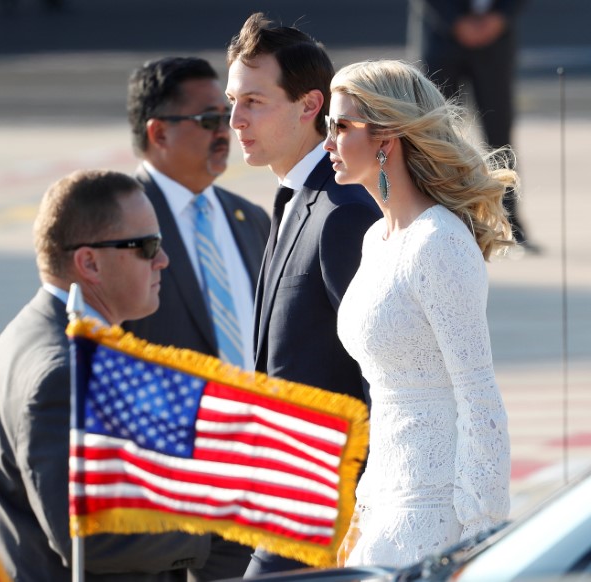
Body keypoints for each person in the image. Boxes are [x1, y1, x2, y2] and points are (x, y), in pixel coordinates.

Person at [0, 169, 215, 581]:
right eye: (148, 246)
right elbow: (88, 538)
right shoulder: (63, 373)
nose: (163, 260)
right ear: (89, 263)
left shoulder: (32, 337)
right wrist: (208, 525)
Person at [324, 59, 511, 568]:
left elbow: (480, 400)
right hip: (382, 501)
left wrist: (479, 540)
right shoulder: (376, 239)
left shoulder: (439, 243)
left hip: (435, 516)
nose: (327, 143)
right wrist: (363, 508)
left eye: (340, 126)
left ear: (386, 137)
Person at [225, 13, 381, 576]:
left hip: (324, 509)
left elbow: (378, 369)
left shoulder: (343, 212)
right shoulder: (297, 197)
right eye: (233, 101)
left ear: (309, 105)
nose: (234, 119)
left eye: (253, 102)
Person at [121, 55, 270, 581]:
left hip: (253, 493)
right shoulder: (116, 227)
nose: (227, 130)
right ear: (159, 132)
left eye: (227, 114)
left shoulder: (248, 219)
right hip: (168, 504)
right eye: (208, 119)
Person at [407, 0, 536, 252]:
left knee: (500, 135)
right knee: (436, 135)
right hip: (442, 36)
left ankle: (508, 224)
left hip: (495, 38)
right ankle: (435, 218)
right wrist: (455, 20)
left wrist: (500, 16)